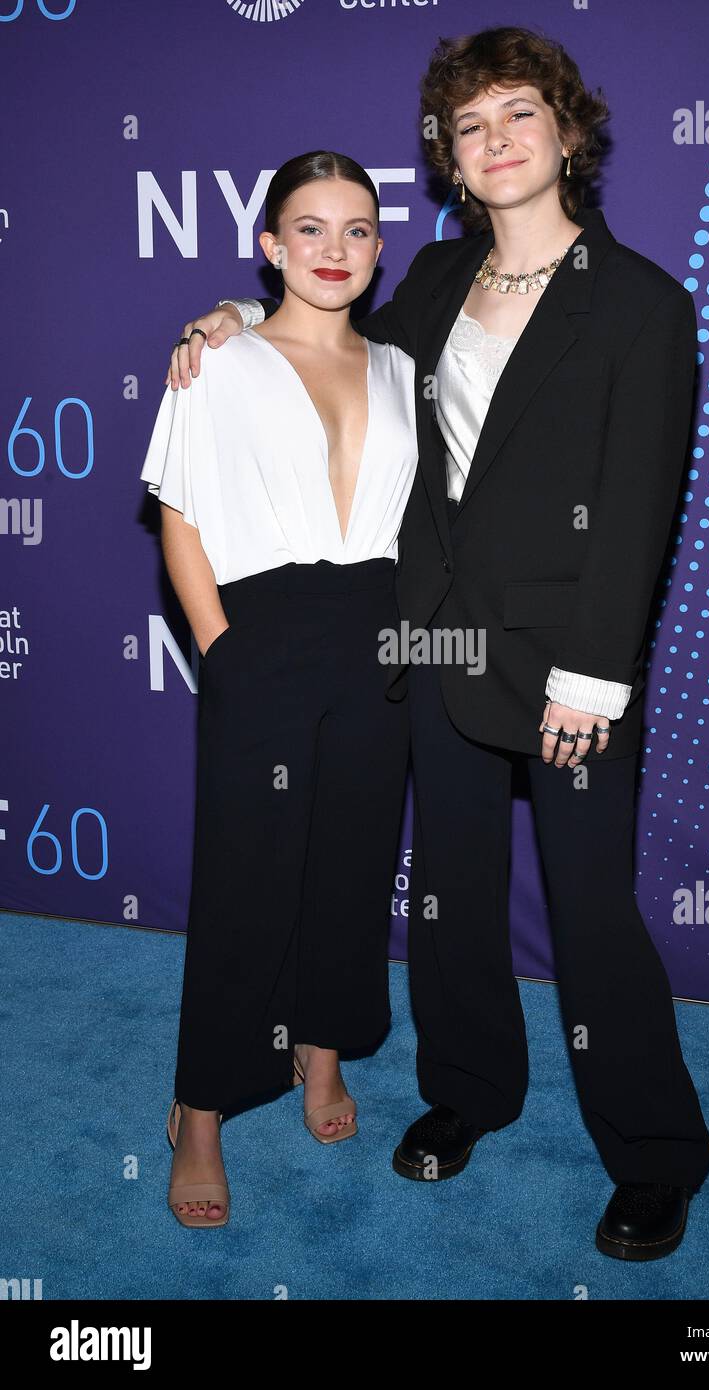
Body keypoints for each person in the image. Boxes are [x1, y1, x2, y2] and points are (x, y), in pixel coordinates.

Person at [165, 25, 709, 1259]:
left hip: (569, 667)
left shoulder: (639, 305)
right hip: (437, 651)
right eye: (470, 127)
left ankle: (657, 1152)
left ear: (568, 133)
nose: (496, 140)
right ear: (452, 162)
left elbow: (636, 511)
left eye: (520, 115)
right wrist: (224, 320)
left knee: (590, 912)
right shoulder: (428, 281)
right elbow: (320, 332)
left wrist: (593, 677)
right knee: (455, 895)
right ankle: (469, 1089)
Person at [141, 151, 417, 1227]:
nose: (335, 249)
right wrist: (221, 647)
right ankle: (201, 1105)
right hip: (263, 634)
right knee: (247, 875)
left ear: (380, 247)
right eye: (310, 228)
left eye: (357, 229)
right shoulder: (221, 361)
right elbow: (181, 514)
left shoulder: (401, 369)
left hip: (380, 638)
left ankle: (321, 1051)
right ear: (268, 246)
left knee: (349, 866)